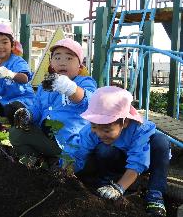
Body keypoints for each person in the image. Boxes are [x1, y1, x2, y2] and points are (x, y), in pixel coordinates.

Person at [63, 86, 170, 217]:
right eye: (94, 126)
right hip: (114, 162)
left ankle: (155, 195)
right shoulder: (93, 130)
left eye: (107, 130)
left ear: (124, 122)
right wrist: (64, 170)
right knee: (104, 148)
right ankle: (105, 184)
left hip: (142, 164)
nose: (100, 133)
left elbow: (138, 161)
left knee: (161, 142)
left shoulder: (140, 129)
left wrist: (119, 188)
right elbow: (78, 151)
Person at [10, 38, 97, 166]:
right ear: (51, 64)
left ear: (80, 67)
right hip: (47, 137)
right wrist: (28, 115)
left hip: (71, 141)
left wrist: (70, 88)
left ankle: (58, 164)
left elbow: (88, 101)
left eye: (69, 58)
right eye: (57, 58)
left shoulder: (84, 82)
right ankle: (36, 162)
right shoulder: (44, 86)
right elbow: (38, 108)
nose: (62, 63)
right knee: (16, 133)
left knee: (68, 168)